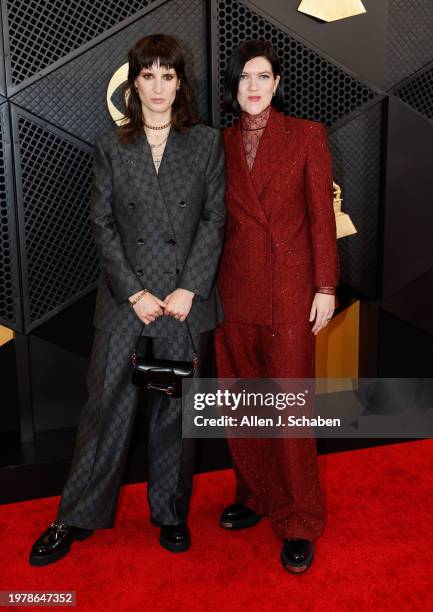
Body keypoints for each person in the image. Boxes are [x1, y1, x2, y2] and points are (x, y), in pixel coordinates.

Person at [29, 34, 226, 566]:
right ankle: (74, 515)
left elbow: (213, 218)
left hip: (185, 302)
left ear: (179, 83)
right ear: (133, 82)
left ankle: (171, 513)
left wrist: (188, 288)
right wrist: (135, 291)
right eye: (148, 75)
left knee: (173, 412)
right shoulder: (111, 144)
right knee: (103, 411)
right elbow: (101, 224)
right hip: (125, 302)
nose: (158, 86)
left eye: (168, 75)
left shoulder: (205, 143)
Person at [214, 40, 339, 573]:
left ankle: (299, 519)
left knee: (289, 413)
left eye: (263, 76)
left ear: (277, 83)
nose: (254, 86)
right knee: (240, 403)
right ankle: (257, 494)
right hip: (234, 291)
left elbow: (321, 218)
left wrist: (326, 288)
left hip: (290, 292)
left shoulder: (306, 135)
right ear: (234, 86)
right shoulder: (217, 143)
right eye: (244, 77)